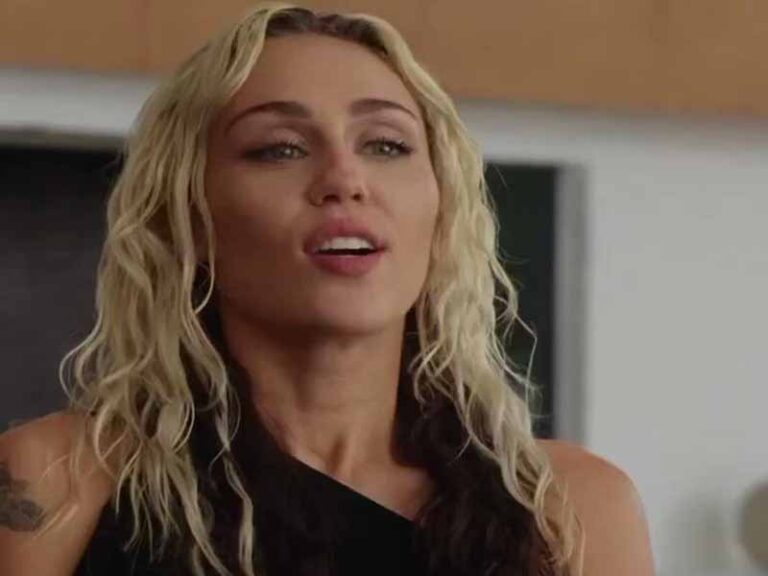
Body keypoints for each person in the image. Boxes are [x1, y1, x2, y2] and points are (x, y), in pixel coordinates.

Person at [0, 3, 655, 575]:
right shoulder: (54, 483)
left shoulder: (569, 506)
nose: (345, 178)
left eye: (386, 145)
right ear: (188, 215)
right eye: (280, 148)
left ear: (443, 206)